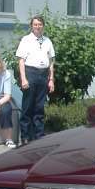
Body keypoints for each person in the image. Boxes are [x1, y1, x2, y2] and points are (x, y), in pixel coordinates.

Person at [16, 15, 55, 143]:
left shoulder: (47, 41)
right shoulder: (26, 40)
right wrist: (24, 79)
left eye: (40, 24)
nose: (37, 27)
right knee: (28, 106)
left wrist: (51, 79)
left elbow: (51, 62)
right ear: (31, 26)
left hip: (43, 75)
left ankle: (39, 135)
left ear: (43, 26)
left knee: (39, 107)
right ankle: (25, 136)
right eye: (35, 24)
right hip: (30, 73)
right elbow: (21, 61)